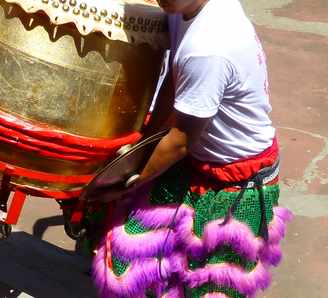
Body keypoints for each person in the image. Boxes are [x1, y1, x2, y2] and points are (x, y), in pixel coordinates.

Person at [89, 0, 292, 296]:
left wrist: (125, 182)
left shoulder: (208, 46)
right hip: (195, 161)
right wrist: (143, 142)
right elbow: (176, 83)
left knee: (204, 286)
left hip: (236, 185)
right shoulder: (183, 10)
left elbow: (180, 142)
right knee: (128, 257)